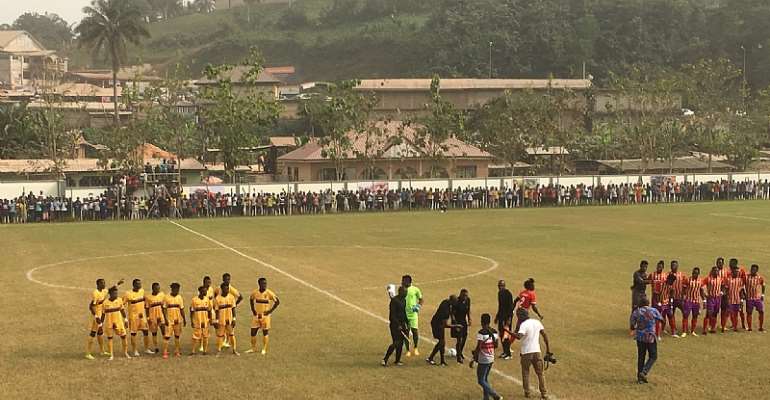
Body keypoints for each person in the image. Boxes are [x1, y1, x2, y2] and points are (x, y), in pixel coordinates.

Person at [515, 308, 550, 399]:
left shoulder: (523, 325)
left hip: (526, 352)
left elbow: (519, 337)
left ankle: (527, 392)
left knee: (526, 372)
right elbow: (545, 335)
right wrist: (548, 349)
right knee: (540, 373)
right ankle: (544, 393)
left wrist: (508, 332)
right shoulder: (537, 322)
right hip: (537, 351)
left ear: (520, 316)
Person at [85, 278, 122, 359]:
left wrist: (118, 283)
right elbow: (91, 306)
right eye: (102, 283)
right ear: (98, 284)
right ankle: (88, 353)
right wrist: (96, 317)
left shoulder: (103, 290)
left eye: (104, 283)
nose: (104, 284)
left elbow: (109, 290)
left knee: (100, 333)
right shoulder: (95, 293)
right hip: (96, 315)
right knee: (93, 333)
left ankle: (102, 351)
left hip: (101, 313)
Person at [629, 297, 663, 384]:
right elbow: (661, 319)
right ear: (648, 303)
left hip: (640, 337)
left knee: (641, 356)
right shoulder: (653, 310)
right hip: (650, 337)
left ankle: (639, 379)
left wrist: (635, 328)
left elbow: (632, 324)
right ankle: (644, 372)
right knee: (653, 356)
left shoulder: (637, 312)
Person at [471, 313, 501, 400]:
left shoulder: (481, 333)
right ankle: (486, 397)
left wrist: (473, 359)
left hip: (483, 359)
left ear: (481, 321)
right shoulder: (494, 332)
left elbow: (479, 347)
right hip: (491, 357)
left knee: (481, 380)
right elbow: (496, 346)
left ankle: (495, 395)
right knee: (485, 379)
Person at [246, 277, 280, 355]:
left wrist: (270, 311)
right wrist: (253, 310)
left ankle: (264, 349)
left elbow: (277, 302)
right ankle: (253, 348)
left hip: (265, 316)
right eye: (263, 283)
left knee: (265, 332)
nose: (264, 285)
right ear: (259, 284)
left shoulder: (269, 293)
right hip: (257, 316)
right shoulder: (255, 293)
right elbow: (251, 299)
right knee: (253, 332)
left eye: (265, 283)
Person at [123, 279, 153, 356]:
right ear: (134, 285)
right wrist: (125, 318)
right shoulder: (128, 294)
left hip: (142, 317)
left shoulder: (142, 291)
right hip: (133, 317)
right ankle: (135, 350)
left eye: (140, 284)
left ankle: (146, 349)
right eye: (138, 284)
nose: (140, 285)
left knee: (146, 331)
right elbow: (122, 305)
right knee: (133, 333)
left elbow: (145, 302)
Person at [426, 294, 458, 366]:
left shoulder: (446, 302)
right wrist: (456, 326)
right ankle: (436, 359)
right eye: (455, 301)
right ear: (452, 301)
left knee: (441, 342)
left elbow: (451, 312)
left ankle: (438, 360)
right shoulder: (445, 309)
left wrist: (453, 319)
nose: (456, 303)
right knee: (442, 342)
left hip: (438, 323)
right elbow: (445, 325)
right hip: (436, 325)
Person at [214, 273, 243, 348]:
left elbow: (240, 297)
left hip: (227, 310)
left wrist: (234, 305)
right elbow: (215, 295)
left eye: (229, 279)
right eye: (226, 279)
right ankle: (222, 341)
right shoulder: (218, 288)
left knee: (228, 327)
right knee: (219, 327)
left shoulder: (231, 289)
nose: (228, 281)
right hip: (220, 308)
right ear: (223, 279)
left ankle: (226, 341)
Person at [382, 286, 408, 366]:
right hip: (395, 325)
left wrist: (407, 322)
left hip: (402, 324)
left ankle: (397, 360)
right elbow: (392, 315)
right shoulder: (394, 301)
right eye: (405, 292)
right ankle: (385, 359)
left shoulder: (404, 300)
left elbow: (403, 313)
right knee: (396, 342)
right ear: (400, 292)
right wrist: (398, 325)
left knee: (401, 343)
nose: (406, 293)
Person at [103, 286, 130, 360]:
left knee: (124, 336)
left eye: (116, 293)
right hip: (109, 323)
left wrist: (125, 320)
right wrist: (100, 324)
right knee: (110, 338)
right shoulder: (105, 303)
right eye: (114, 294)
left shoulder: (119, 300)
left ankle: (125, 352)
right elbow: (103, 314)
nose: (116, 295)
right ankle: (111, 354)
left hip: (119, 322)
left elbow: (122, 310)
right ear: (110, 294)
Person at [213, 283, 239, 356]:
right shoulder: (218, 299)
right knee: (220, 336)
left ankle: (234, 350)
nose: (227, 290)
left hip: (229, 320)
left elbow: (233, 308)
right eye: (225, 289)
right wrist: (217, 321)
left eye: (228, 289)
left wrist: (234, 319)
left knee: (231, 334)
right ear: (222, 289)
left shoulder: (231, 297)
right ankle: (219, 350)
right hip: (221, 320)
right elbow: (217, 311)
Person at [680, 267, 706, 337]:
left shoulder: (700, 281)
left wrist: (704, 300)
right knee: (685, 315)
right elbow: (683, 290)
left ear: (698, 274)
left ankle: (692, 331)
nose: (694, 274)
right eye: (693, 273)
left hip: (696, 301)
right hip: (688, 300)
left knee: (695, 316)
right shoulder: (688, 280)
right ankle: (684, 331)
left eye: (696, 273)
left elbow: (701, 291)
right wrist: (682, 299)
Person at [162, 283, 186, 358]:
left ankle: (177, 351)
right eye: (176, 289)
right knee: (167, 337)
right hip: (169, 320)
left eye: (178, 289)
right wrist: (165, 319)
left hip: (178, 321)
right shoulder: (166, 297)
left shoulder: (179, 298)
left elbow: (181, 309)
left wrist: (184, 319)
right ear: (172, 289)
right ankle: (165, 352)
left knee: (177, 336)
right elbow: (164, 309)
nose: (177, 291)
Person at [402, 275, 423, 357]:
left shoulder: (415, 289)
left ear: (408, 281)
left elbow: (421, 299)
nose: (402, 282)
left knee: (415, 331)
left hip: (413, 315)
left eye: (403, 281)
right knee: (406, 332)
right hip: (404, 314)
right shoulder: (402, 290)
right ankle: (407, 350)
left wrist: (418, 306)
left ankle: (415, 348)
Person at [190, 286, 213, 355]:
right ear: (200, 292)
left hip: (205, 322)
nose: (206, 292)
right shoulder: (194, 300)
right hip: (197, 322)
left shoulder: (207, 300)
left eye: (206, 291)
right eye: (204, 291)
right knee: (195, 336)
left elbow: (209, 310)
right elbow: (191, 311)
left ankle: (205, 351)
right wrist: (192, 321)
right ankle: (193, 351)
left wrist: (210, 319)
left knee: (206, 336)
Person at [495, 280, 514, 359]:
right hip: (501, 317)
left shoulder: (508, 294)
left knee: (506, 335)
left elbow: (511, 307)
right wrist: (497, 316)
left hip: (507, 318)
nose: (500, 287)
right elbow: (500, 306)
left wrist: (509, 319)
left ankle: (508, 353)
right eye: (499, 286)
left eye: (501, 286)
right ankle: (505, 351)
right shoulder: (499, 294)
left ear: (504, 286)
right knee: (501, 334)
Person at [451, 288, 471, 364]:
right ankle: (459, 356)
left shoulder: (468, 300)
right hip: (457, 321)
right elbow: (452, 314)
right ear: (461, 295)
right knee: (459, 339)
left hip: (463, 321)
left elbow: (468, 309)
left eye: (466, 295)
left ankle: (460, 352)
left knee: (465, 337)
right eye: (464, 295)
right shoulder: (456, 302)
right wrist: (455, 325)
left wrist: (469, 318)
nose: (465, 297)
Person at [145, 282, 166, 354]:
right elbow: (147, 308)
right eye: (156, 288)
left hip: (160, 316)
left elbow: (163, 307)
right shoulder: (148, 297)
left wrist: (165, 318)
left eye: (159, 288)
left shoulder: (162, 295)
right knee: (154, 333)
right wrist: (148, 318)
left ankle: (165, 347)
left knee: (164, 332)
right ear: (153, 289)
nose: (158, 290)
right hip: (152, 317)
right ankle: (156, 347)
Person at [702, 266, 724, 334]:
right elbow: (701, 286)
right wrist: (705, 294)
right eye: (715, 271)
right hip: (711, 298)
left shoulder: (720, 279)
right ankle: (704, 329)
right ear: (712, 271)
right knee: (708, 313)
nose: (716, 272)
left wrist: (722, 292)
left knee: (715, 313)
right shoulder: (708, 279)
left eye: (717, 271)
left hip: (718, 298)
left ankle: (713, 328)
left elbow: (723, 286)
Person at [724, 266, 746, 332]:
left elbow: (741, 291)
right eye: (735, 272)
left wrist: (741, 300)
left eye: (738, 272)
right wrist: (727, 298)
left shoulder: (740, 281)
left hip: (737, 300)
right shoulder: (728, 280)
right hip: (730, 300)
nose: (737, 273)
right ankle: (723, 326)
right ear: (732, 272)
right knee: (727, 313)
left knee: (736, 314)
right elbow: (726, 290)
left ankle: (735, 327)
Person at [745, 264, 765, 332]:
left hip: (757, 298)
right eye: (752, 269)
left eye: (754, 270)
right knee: (749, 313)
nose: (752, 271)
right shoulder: (746, 276)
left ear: (757, 270)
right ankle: (750, 328)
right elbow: (742, 285)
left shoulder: (759, 277)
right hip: (749, 298)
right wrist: (744, 294)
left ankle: (761, 327)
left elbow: (763, 285)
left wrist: (762, 294)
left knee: (761, 311)